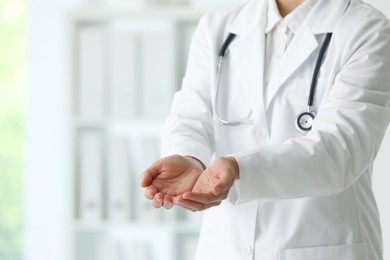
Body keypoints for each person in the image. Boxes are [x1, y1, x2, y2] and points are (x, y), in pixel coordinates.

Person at [141, 0, 390, 259]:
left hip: (324, 244)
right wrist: (188, 157)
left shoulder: (367, 30)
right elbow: (189, 116)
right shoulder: (218, 29)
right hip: (226, 246)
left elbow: (341, 149)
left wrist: (239, 168)